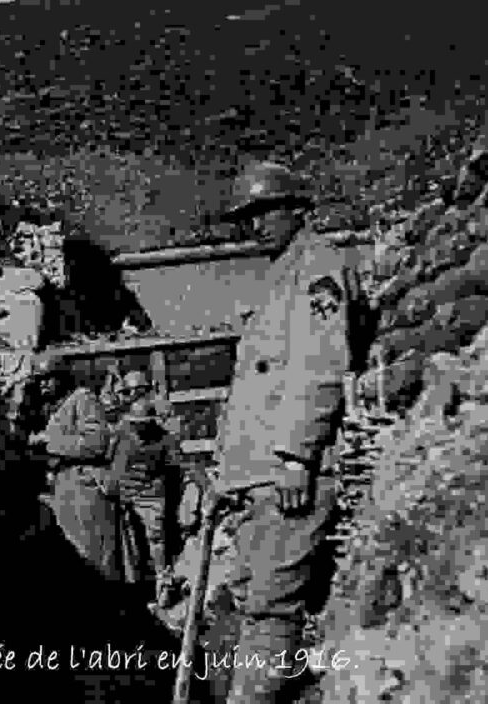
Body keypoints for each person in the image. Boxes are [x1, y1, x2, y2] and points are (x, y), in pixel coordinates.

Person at [208, 161, 369, 703]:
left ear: (299, 208)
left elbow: (320, 365)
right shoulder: (278, 276)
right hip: (259, 475)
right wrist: (226, 475)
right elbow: (254, 388)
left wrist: (297, 455)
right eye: (247, 215)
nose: (255, 224)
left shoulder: (319, 266)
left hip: (290, 471)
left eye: (266, 211)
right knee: (251, 596)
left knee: (273, 603)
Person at [27, 353, 121, 582]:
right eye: (39, 380)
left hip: (84, 488)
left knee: (94, 557)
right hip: (64, 487)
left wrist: (48, 442)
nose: (43, 384)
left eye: (48, 378)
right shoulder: (57, 407)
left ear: (63, 377)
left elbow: (96, 443)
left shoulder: (83, 399)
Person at [107, 397, 180, 608]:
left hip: (151, 493)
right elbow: (112, 462)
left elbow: (173, 467)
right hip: (125, 493)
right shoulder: (122, 435)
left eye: (142, 424)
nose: (138, 428)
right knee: (127, 539)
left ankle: (163, 583)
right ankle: (133, 585)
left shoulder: (163, 440)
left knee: (156, 538)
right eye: (135, 423)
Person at [0, 264, 50, 438]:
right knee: (23, 388)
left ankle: (14, 430)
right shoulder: (33, 293)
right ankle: (24, 427)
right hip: (28, 347)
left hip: (15, 348)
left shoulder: (0, 286)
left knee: (15, 392)